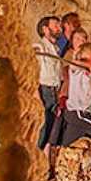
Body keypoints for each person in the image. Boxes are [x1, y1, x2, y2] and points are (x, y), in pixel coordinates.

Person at [34, 17, 63, 168]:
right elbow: (34, 72)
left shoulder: (56, 49)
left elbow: (57, 75)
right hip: (43, 90)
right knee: (42, 128)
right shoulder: (39, 47)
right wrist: (36, 95)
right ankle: (34, 162)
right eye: (55, 25)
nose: (59, 27)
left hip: (53, 91)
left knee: (50, 128)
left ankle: (41, 164)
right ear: (45, 29)